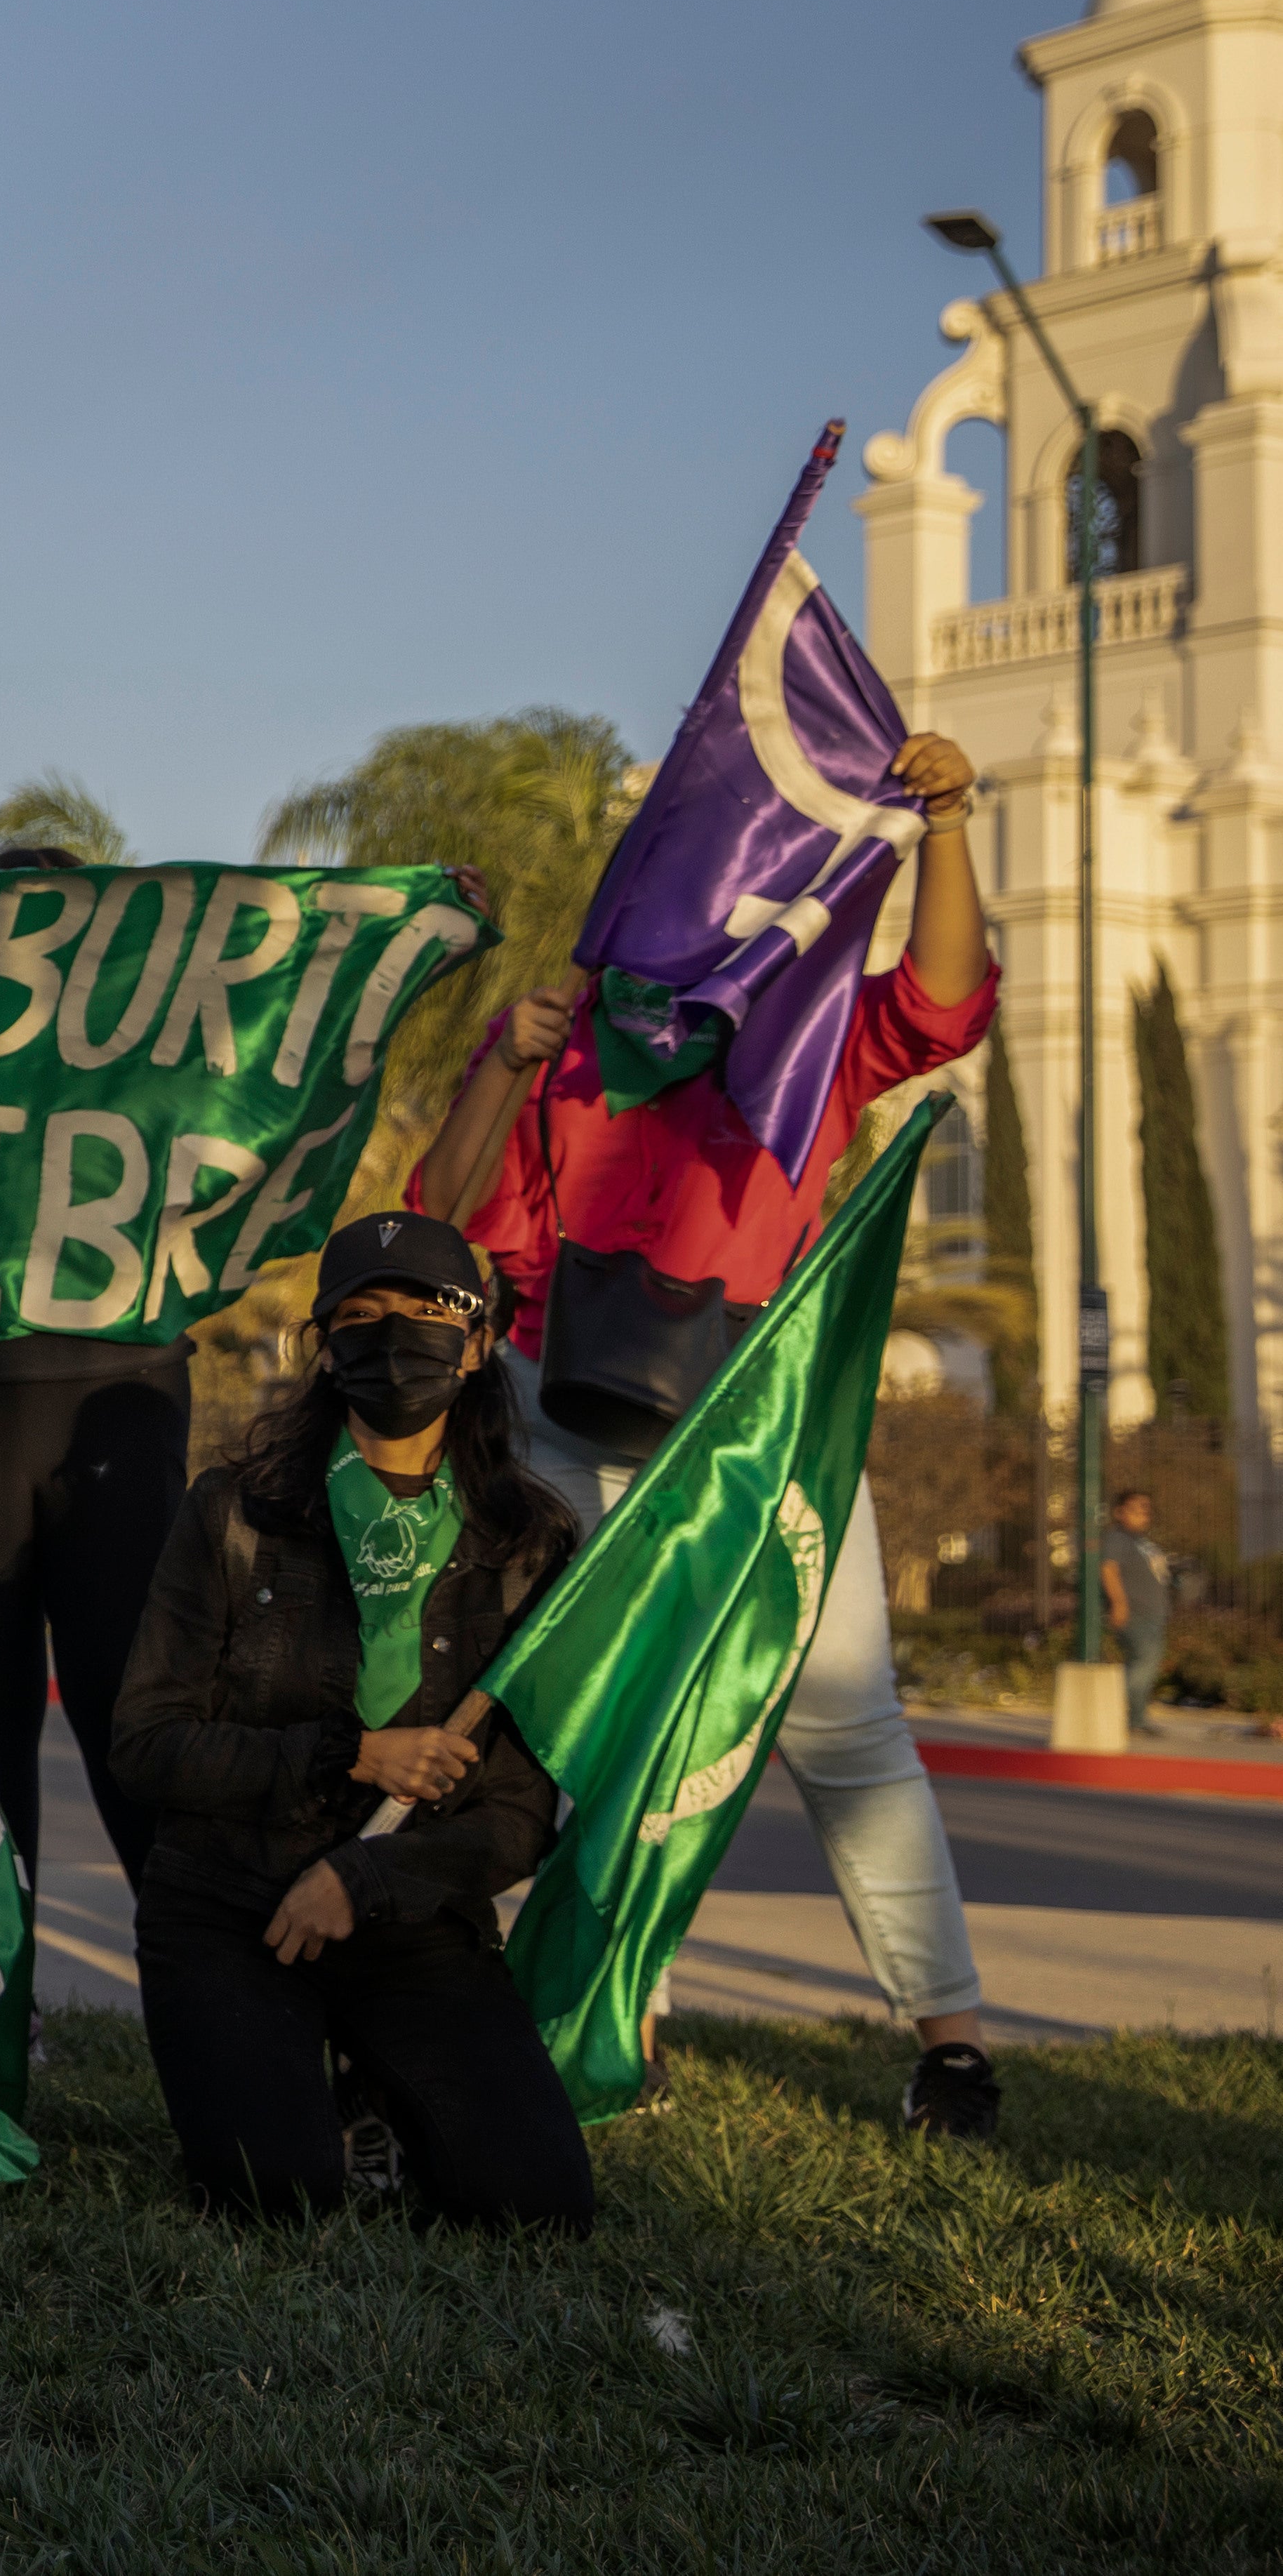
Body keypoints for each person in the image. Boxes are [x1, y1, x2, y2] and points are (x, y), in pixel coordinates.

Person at [409, 729, 1003, 2137]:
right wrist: (502, 1059)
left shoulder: (797, 1027)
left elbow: (942, 1002)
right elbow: (437, 1217)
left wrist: (944, 824)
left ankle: (951, 2042)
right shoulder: (564, 1035)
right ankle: (622, 2018)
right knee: (595, 1720)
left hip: (756, 1422)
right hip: (567, 1414)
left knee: (843, 1722)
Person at [112, 1212, 596, 2232]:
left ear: (476, 1343)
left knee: (536, 2204)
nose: (394, 1337)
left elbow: (517, 1815)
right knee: (273, 2196)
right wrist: (350, 1756)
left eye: (427, 1313)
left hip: (409, 1915)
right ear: (325, 1348)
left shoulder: (526, 1543)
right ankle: (314, 2087)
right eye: (361, 1316)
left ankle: (377, 2082)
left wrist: (364, 1877)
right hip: (229, 1905)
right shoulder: (233, 1510)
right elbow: (145, 1744)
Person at [0, 844, 192, 1892]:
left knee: (133, 1702)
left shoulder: (164, 1049)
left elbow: (300, 1057)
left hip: (121, 1392)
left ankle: (191, 1958)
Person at [1102, 1487, 1178, 1725]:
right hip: (1135, 1614)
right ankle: (1116, 1712)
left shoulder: (1141, 1542)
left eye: (1146, 1509)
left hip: (1153, 1614)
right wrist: (1119, 1604)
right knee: (1142, 1662)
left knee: (1147, 1665)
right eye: (1135, 1509)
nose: (1143, 1514)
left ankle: (1136, 1717)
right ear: (1119, 1512)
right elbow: (1108, 1569)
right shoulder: (1117, 1538)